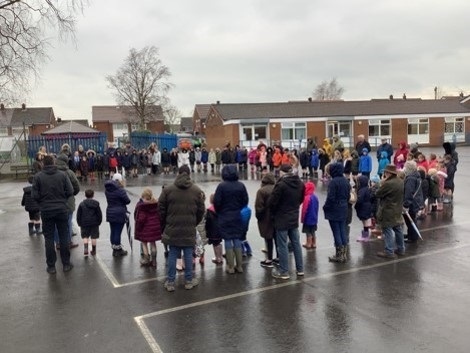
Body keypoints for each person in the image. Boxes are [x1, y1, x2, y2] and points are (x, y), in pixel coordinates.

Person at [159, 165, 205, 292]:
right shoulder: (196, 191)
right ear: (189, 174)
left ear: (178, 173)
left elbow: (161, 208)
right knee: (188, 254)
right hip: (189, 227)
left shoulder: (168, 190)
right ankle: (189, 280)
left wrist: (165, 222)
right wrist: (194, 222)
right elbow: (201, 210)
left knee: (173, 254)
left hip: (172, 227)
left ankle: (170, 281)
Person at [32, 155, 74, 274]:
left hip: (46, 210)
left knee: (49, 238)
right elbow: (70, 191)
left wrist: (42, 203)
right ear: (54, 162)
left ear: (43, 164)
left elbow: (34, 195)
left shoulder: (38, 177)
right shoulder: (62, 175)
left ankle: (51, 266)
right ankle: (66, 264)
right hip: (61, 209)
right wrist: (63, 200)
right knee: (64, 236)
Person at [269, 164, 305, 279]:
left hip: (281, 217)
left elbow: (272, 202)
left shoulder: (281, 185)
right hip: (293, 216)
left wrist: (273, 213)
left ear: (282, 172)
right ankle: (300, 269)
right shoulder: (300, 183)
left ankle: (284, 271)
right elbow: (301, 199)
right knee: (296, 243)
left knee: (282, 245)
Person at [214, 165, 249, 274]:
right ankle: (239, 266)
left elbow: (217, 202)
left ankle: (230, 266)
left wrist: (220, 211)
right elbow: (245, 200)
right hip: (237, 215)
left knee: (228, 240)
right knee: (237, 239)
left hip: (224, 216)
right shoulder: (241, 185)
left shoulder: (221, 186)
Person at [375, 165, 405, 259]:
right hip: (397, 208)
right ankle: (401, 249)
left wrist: (381, 183)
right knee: (398, 229)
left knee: (387, 230)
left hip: (388, 209)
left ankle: (389, 251)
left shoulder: (387, 183)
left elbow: (378, 194)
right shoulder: (400, 181)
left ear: (388, 173)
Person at [323, 162, 350, 263]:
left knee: (336, 232)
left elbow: (331, 198)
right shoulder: (345, 181)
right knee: (342, 230)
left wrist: (326, 207)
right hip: (344, 207)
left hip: (334, 208)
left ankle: (339, 254)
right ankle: (344, 254)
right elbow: (348, 196)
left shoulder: (333, 182)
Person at [134, 188, 162, 268]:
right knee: (153, 243)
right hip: (154, 228)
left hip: (145, 229)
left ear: (144, 197)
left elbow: (141, 219)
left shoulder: (142, 207)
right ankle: (154, 261)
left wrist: (138, 228)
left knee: (144, 243)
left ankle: (146, 259)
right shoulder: (156, 204)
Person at [105, 173, 131, 256]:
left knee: (112, 231)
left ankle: (114, 248)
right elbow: (127, 201)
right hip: (119, 212)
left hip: (110, 211)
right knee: (118, 232)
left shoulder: (107, 190)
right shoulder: (120, 190)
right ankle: (118, 250)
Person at [255, 172, 276, 268]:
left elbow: (259, 207)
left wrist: (259, 216)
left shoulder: (261, 191)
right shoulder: (276, 188)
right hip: (276, 217)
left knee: (268, 239)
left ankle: (269, 259)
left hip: (265, 218)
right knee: (277, 238)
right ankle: (279, 258)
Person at [76, 189, 102, 257]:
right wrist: (99, 221)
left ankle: (86, 249)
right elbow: (99, 214)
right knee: (94, 237)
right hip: (94, 223)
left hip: (84, 223)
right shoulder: (96, 204)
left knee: (85, 236)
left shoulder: (81, 204)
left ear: (85, 195)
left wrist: (79, 222)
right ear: (93, 195)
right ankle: (93, 250)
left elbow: (79, 215)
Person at [402, 161, 423, 244]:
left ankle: (413, 237)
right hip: (415, 202)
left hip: (411, 203)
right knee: (412, 219)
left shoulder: (410, 178)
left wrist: (406, 204)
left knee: (410, 220)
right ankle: (411, 234)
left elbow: (408, 192)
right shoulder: (416, 176)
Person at [301, 180, 319, 249]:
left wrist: (302, 218)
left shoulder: (307, 197)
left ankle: (308, 243)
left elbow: (304, 209)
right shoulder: (315, 197)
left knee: (307, 231)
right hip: (314, 218)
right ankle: (314, 243)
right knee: (313, 231)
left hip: (308, 218)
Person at [205, 193, 223, 264]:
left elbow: (208, 222)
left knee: (215, 244)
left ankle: (217, 258)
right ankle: (221, 257)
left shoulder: (209, 210)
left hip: (213, 231)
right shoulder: (220, 208)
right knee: (219, 243)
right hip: (220, 229)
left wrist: (206, 229)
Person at [355, 175, 373, 242]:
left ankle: (365, 236)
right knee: (366, 221)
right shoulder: (367, 189)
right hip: (367, 206)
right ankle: (365, 235)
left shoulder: (362, 190)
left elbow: (360, 200)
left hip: (363, 207)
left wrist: (356, 204)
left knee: (365, 221)